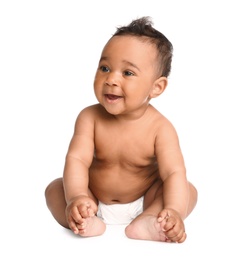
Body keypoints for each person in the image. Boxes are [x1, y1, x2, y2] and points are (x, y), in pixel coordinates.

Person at [45, 16, 198, 243]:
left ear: (157, 87)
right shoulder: (89, 117)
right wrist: (77, 197)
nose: (111, 79)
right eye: (105, 68)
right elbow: (77, 160)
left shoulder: (160, 128)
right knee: (55, 190)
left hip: (144, 199)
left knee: (187, 190)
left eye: (127, 73)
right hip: (93, 199)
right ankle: (83, 219)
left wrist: (174, 209)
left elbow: (172, 172)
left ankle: (151, 219)